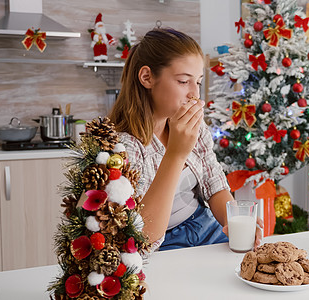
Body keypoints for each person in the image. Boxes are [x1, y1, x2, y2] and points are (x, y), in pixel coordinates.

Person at [109, 28, 263, 251]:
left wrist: (232, 219)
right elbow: (141, 238)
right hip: (162, 244)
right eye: (183, 81)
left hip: (204, 225)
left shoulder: (192, 125)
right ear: (147, 77)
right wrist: (176, 153)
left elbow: (213, 180)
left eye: (198, 82)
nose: (195, 94)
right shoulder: (124, 146)